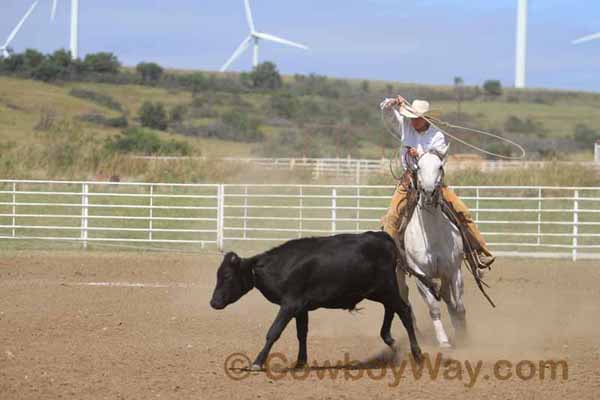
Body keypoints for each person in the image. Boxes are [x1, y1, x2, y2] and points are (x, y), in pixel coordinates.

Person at [379, 95, 495, 302]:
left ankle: (478, 253)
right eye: (412, 117)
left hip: (433, 181)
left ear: (426, 119)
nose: (413, 121)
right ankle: (388, 261)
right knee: (390, 218)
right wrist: (392, 103)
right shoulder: (406, 125)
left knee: (462, 212)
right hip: (408, 182)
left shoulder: (437, 136)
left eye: (417, 118)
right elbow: (386, 114)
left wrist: (419, 153)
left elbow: (435, 157)